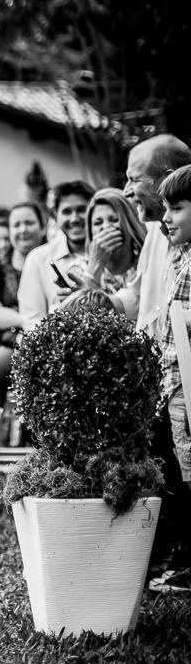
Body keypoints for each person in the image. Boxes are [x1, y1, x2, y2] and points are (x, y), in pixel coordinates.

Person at [103, 135, 191, 591]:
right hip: (161, 377)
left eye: (134, 178)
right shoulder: (160, 235)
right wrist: (100, 299)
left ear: (164, 180)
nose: (127, 188)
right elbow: (138, 296)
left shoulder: (177, 234)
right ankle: (165, 555)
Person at [152, 165, 191, 594]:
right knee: (183, 466)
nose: (167, 217)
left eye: (177, 208)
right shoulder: (181, 257)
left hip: (188, 384)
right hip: (175, 383)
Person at [0, 201, 46, 403]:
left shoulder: (54, 262)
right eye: (16, 225)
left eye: (29, 223)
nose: (23, 230)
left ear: (43, 227)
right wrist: (30, 322)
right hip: (11, 346)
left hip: (51, 344)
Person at [17, 179, 95, 329]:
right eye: (66, 212)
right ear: (55, 216)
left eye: (81, 210)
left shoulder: (112, 253)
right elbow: (31, 319)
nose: (74, 218)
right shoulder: (38, 260)